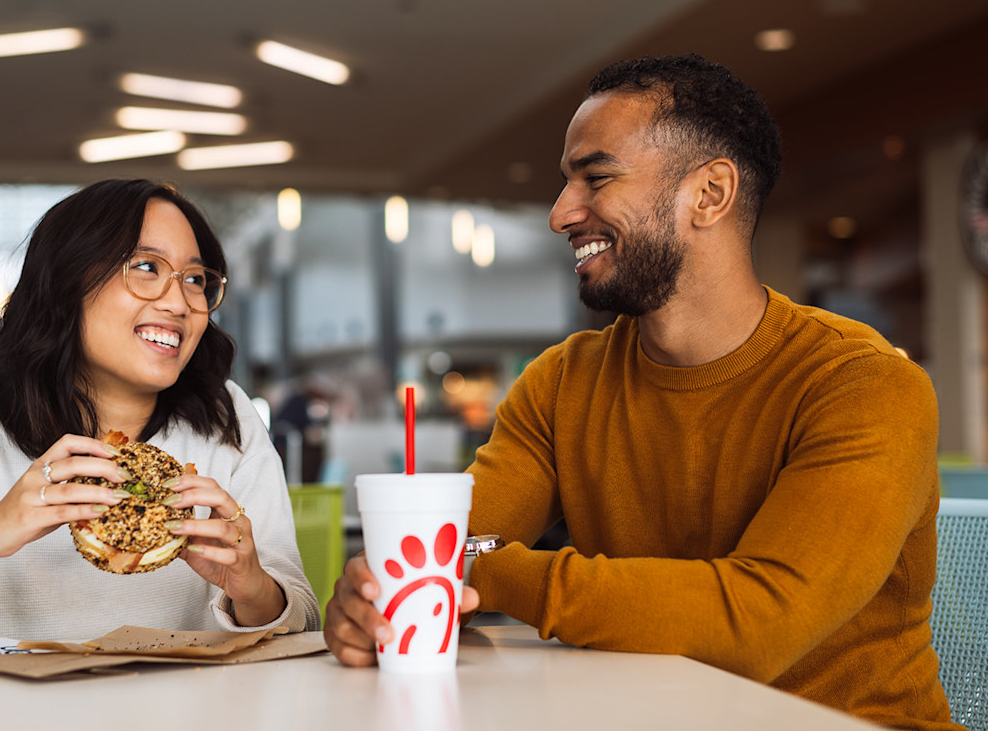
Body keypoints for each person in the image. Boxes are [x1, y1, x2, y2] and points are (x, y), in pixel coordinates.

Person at [324, 55, 956, 730]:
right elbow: (449, 544)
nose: (561, 213)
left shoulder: (862, 383)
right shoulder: (564, 382)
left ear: (710, 194)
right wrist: (369, 603)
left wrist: (479, 573)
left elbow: (756, 624)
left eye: (595, 178)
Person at [0, 179, 319, 647]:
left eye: (195, 278)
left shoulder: (225, 422)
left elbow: (301, 622)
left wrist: (252, 587)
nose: (180, 302)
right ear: (68, 282)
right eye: (146, 267)